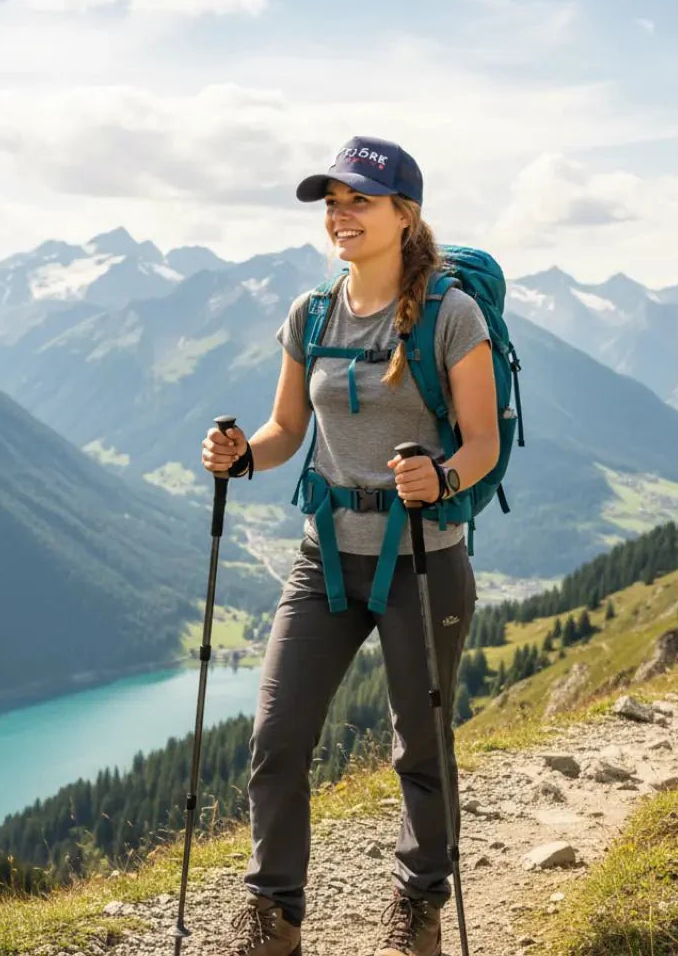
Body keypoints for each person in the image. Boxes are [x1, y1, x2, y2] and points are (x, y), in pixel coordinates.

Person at [200, 136, 499, 956]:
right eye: (331, 201)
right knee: (276, 736)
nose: (340, 215)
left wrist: (440, 478)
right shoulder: (311, 312)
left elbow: (483, 444)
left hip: (424, 560)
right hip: (323, 558)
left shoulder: (451, 314)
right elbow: (288, 429)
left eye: (359, 200)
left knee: (421, 744)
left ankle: (419, 902)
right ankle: (274, 914)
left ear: (405, 214)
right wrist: (242, 455)